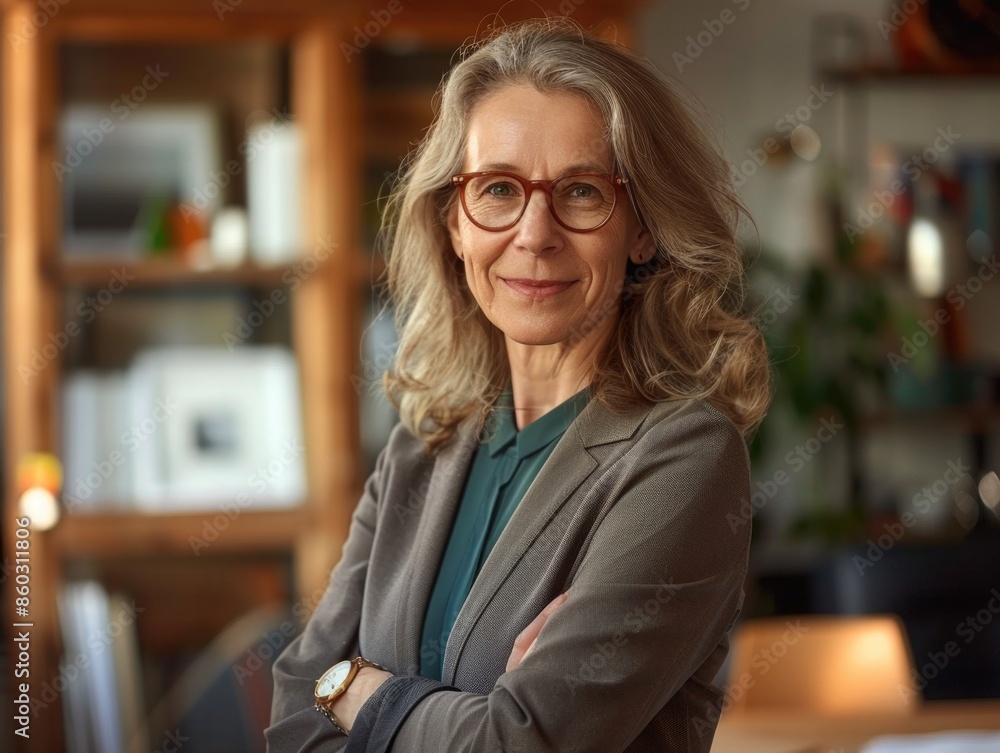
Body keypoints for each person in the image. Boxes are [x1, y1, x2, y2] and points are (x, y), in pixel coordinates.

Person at [266, 17, 771, 753]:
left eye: (582, 191)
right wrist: (436, 709)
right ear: (455, 225)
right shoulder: (422, 446)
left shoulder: (684, 457)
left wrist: (354, 686)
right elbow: (289, 716)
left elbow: (515, 745)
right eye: (498, 188)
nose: (535, 233)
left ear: (642, 228)